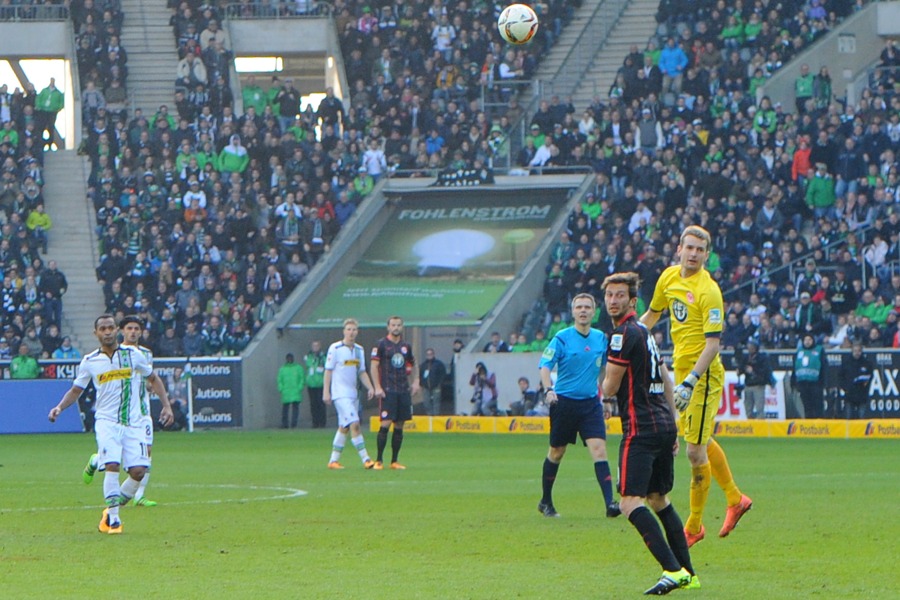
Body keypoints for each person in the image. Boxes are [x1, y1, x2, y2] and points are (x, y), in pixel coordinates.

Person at [640, 225, 752, 547]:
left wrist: (689, 382)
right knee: (698, 439)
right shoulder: (668, 278)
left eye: (699, 250)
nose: (693, 254)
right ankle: (735, 498)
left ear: (707, 255)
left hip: (702, 376)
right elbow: (652, 314)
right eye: (688, 248)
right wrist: (626, 336)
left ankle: (693, 527)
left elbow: (713, 344)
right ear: (679, 249)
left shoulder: (709, 290)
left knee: (693, 451)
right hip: (682, 369)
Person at [600, 272, 697, 594]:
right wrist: (674, 424)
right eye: (609, 295)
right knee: (659, 499)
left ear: (632, 300)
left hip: (639, 428)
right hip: (662, 425)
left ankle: (672, 569)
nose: (613, 300)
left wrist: (600, 388)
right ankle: (689, 573)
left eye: (619, 295)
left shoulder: (622, 334)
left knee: (629, 502)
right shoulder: (645, 331)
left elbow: (611, 386)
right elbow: (666, 379)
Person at [49, 315, 174, 534]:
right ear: (95, 333)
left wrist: (166, 405)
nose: (107, 332)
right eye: (102, 328)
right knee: (112, 465)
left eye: (110, 328)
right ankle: (114, 520)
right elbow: (76, 390)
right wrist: (59, 407)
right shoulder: (90, 361)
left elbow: (153, 379)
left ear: (116, 330)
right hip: (107, 421)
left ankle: (109, 511)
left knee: (138, 472)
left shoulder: (133, 355)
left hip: (134, 422)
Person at [537, 293, 619, 519]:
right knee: (557, 451)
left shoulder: (601, 339)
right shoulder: (562, 338)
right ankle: (546, 501)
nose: (583, 311)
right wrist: (548, 389)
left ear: (594, 312)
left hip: (590, 404)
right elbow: (545, 365)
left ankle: (610, 503)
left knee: (599, 450)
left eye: (587, 307)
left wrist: (607, 397)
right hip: (563, 403)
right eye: (579, 307)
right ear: (573, 312)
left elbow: (605, 369)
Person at [81, 316, 166, 507]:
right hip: (113, 415)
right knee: (113, 461)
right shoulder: (101, 358)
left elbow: (150, 378)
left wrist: (159, 397)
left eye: (137, 328)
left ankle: (137, 496)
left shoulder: (144, 353)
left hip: (140, 411)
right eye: (130, 328)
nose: (133, 332)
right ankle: (113, 507)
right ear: (123, 331)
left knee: (145, 456)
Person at [323, 318, 376, 469]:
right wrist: (326, 392)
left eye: (354, 330)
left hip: (353, 394)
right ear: (344, 331)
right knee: (355, 423)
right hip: (340, 394)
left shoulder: (359, 350)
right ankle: (366, 459)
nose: (351, 333)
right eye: (349, 329)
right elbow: (328, 370)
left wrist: (370, 387)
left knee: (344, 427)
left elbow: (362, 372)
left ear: (357, 332)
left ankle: (333, 460)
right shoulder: (336, 348)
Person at [370, 316, 420, 470]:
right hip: (388, 390)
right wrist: (377, 387)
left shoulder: (406, 346)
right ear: (388, 327)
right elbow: (373, 366)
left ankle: (394, 461)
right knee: (385, 424)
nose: (396, 327)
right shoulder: (381, 345)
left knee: (399, 425)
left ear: (402, 327)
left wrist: (416, 381)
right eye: (393, 325)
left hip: (403, 390)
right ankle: (378, 460)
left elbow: (413, 363)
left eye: (398, 325)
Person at [736, 340, 774, 419]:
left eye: (751, 346)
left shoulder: (762, 358)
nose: (749, 348)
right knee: (748, 408)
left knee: (760, 408)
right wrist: (740, 370)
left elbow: (765, 371)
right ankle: (751, 426)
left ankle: (760, 427)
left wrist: (753, 370)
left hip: (758, 385)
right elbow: (741, 368)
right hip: (748, 384)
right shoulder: (746, 357)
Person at [839, 341, 873, 420]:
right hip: (849, 395)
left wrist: (866, 385)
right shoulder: (846, 363)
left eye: (859, 351)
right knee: (848, 417)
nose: (857, 353)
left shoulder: (867, 363)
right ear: (852, 351)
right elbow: (840, 376)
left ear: (861, 351)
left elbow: (870, 376)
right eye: (855, 351)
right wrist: (845, 388)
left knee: (862, 417)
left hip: (862, 394)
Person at [793, 333, 825, 419]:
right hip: (803, 383)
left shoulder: (819, 350)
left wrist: (823, 382)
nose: (807, 342)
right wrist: (794, 382)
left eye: (809, 340)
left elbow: (824, 367)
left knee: (817, 405)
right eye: (805, 340)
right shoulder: (799, 351)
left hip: (815, 383)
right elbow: (795, 367)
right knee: (806, 406)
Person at [278, 353, 305, 428]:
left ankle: (293, 423)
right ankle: (285, 424)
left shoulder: (298, 368)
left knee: (294, 409)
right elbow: (279, 380)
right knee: (285, 409)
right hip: (286, 391)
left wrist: (299, 387)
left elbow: (302, 378)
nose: (290, 359)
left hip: (295, 391)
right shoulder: (282, 369)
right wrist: (281, 388)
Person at [304, 340, 327, 428]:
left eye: (317, 346)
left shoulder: (323, 357)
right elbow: (308, 365)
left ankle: (322, 422)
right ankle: (315, 422)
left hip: (320, 383)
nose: (315, 348)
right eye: (313, 346)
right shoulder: (309, 356)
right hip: (311, 384)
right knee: (313, 404)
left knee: (321, 404)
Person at [418, 347, 446, 416]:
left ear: (433, 354)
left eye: (430, 354)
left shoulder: (439, 364)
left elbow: (443, 374)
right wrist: (421, 384)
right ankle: (429, 416)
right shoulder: (423, 365)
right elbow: (420, 375)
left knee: (436, 402)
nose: (429, 355)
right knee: (426, 402)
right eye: (428, 354)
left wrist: (440, 384)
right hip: (426, 387)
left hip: (436, 386)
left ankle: (436, 417)